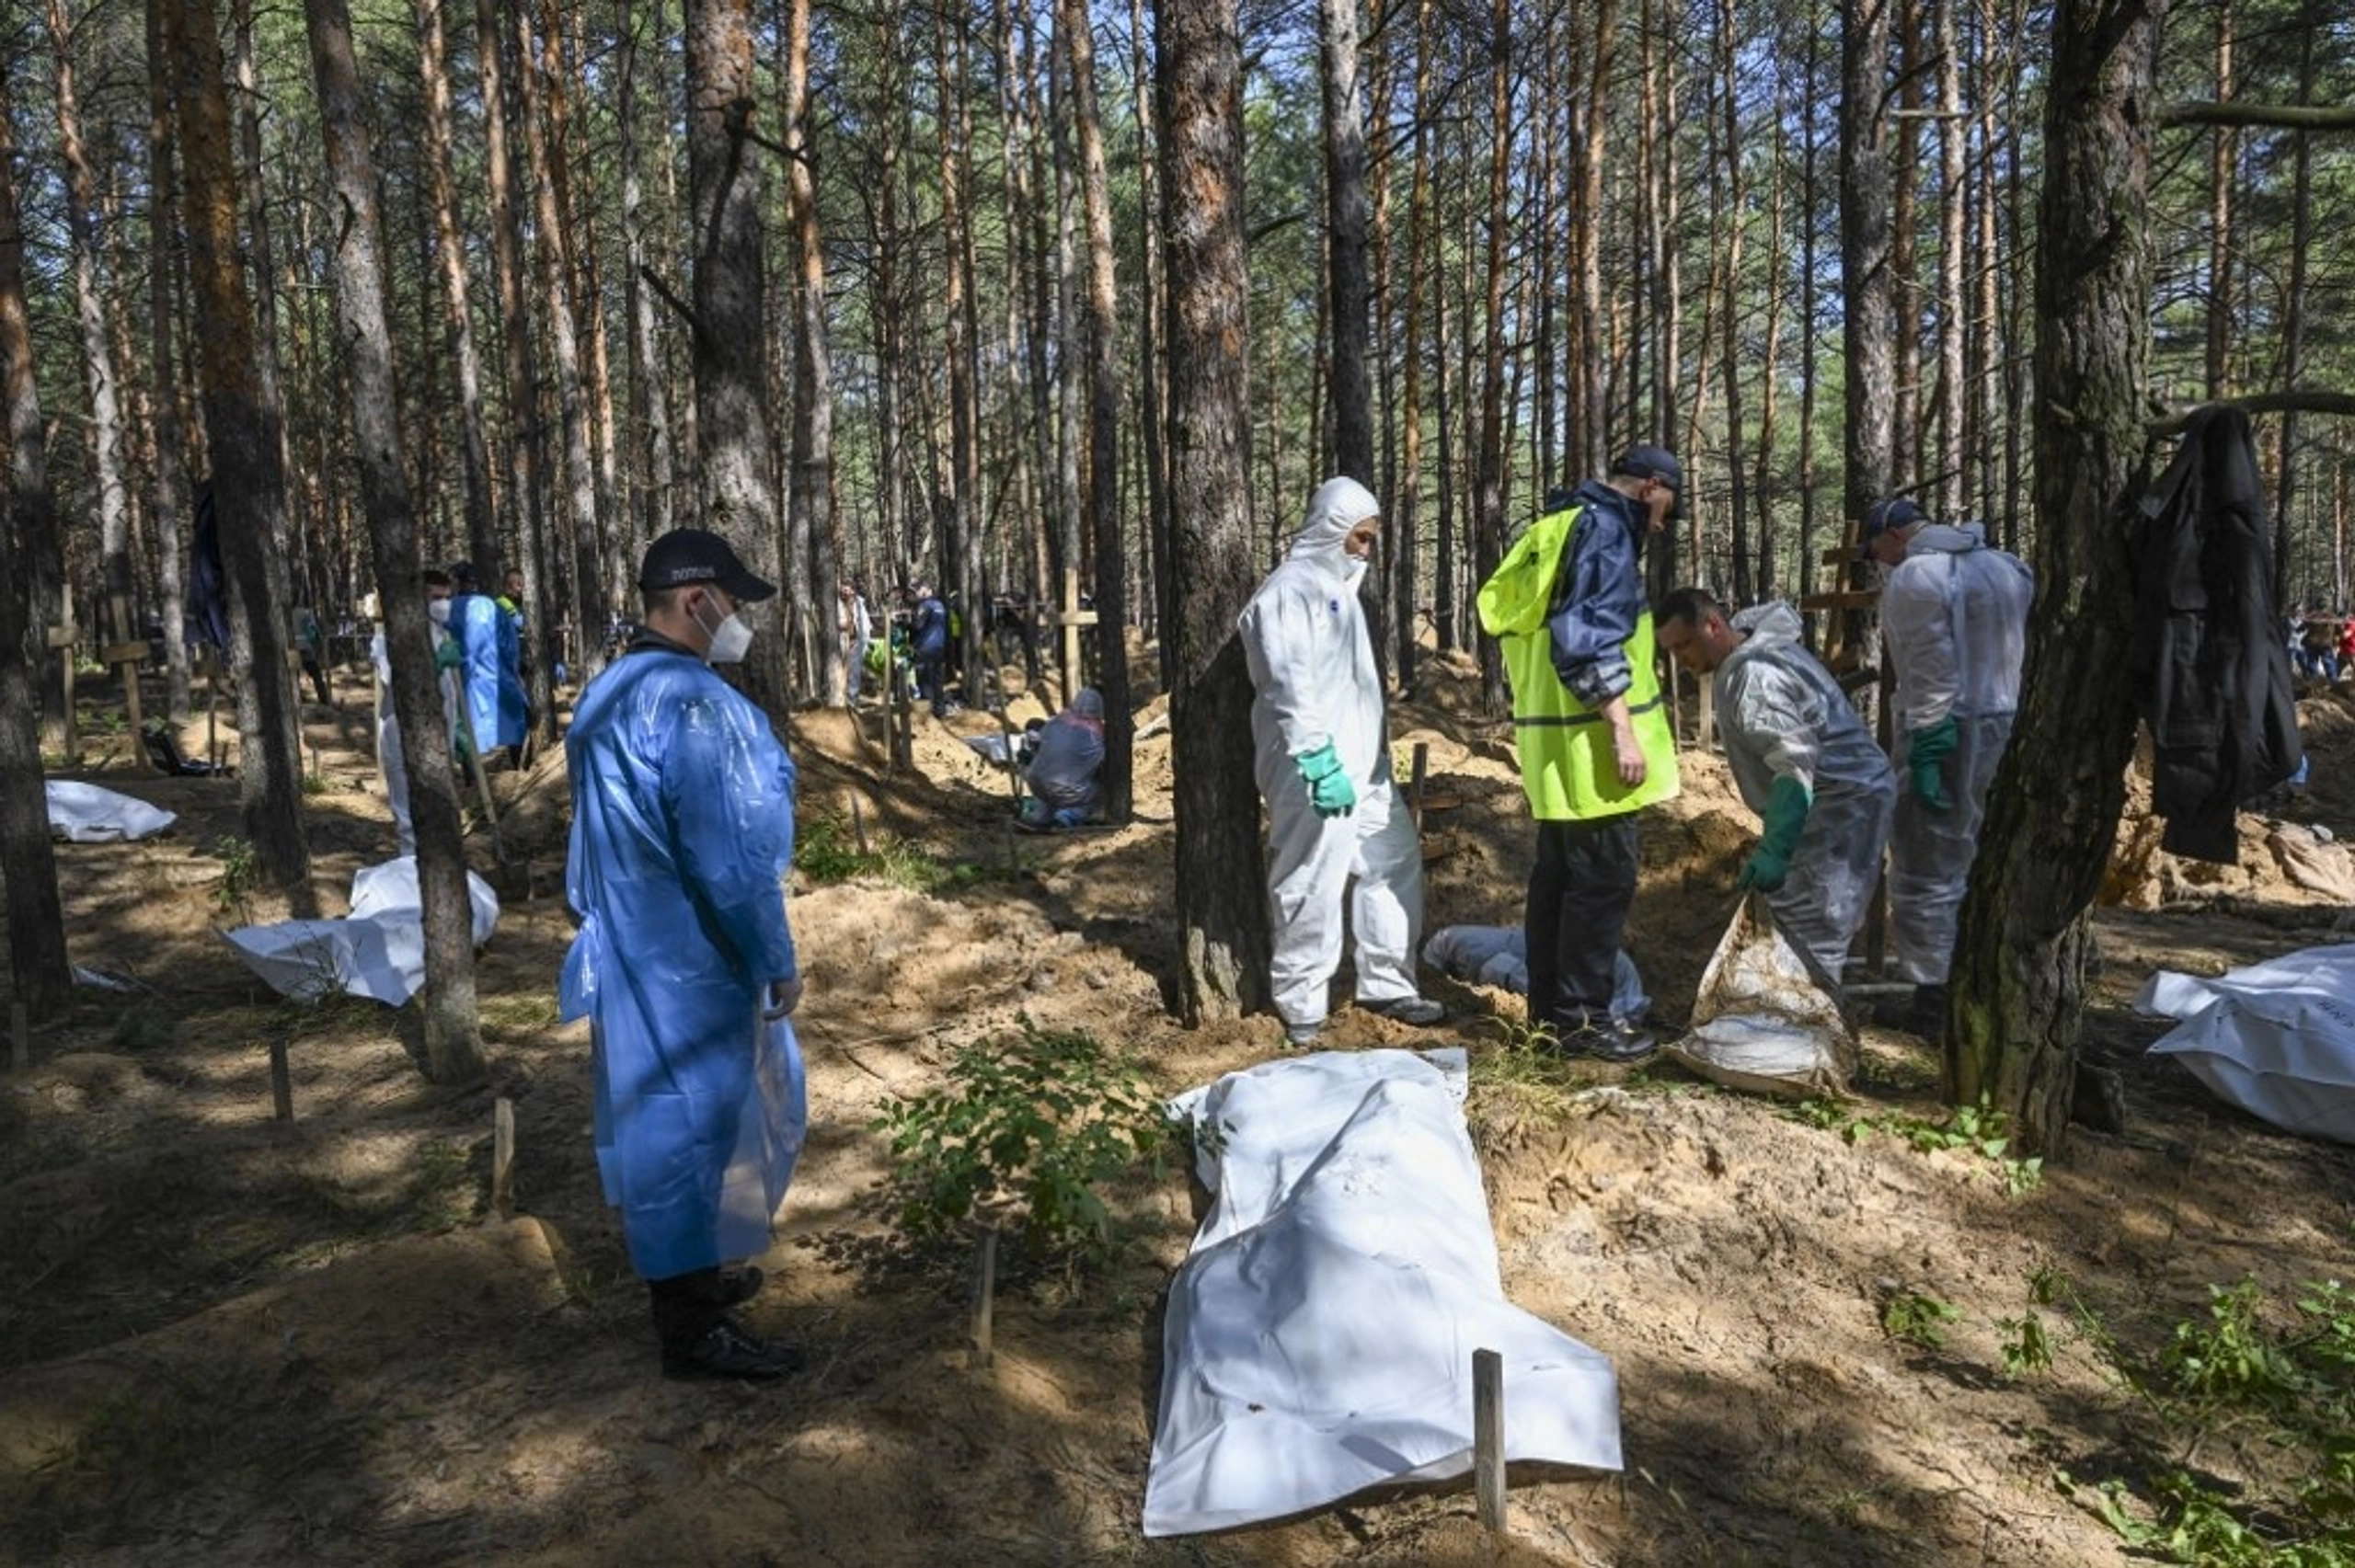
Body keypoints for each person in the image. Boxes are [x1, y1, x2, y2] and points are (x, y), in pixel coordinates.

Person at [559, 527, 809, 1381]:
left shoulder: (608, 692)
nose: (739, 617)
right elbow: (729, 857)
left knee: (666, 1124)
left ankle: (693, 1282)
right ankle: (691, 1330)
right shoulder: (693, 704)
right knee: (688, 1132)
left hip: (636, 950)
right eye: (733, 601)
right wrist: (775, 952)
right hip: (691, 955)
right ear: (697, 600)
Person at [1476, 447, 1683, 1061]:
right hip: (1594, 750)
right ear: (1651, 487)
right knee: (1601, 885)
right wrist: (1623, 731)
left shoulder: (1556, 528)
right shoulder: (1604, 534)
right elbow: (1587, 645)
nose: (1666, 519)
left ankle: (1551, 1017)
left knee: (1559, 884)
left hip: (1553, 750)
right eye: (1668, 502)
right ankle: (1585, 1024)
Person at [1238, 475, 1445, 1046]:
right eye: (1360, 536)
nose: (1367, 549)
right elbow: (1286, 684)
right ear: (1332, 529)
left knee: (1394, 858)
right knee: (1311, 879)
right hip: (1312, 768)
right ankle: (1302, 1008)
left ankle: (1386, 983)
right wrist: (1317, 760)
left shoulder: (1341, 594)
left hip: (1364, 766)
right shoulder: (1289, 592)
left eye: (1371, 538)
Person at [1656, 589, 1896, 985]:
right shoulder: (1755, 651)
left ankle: (1806, 1033)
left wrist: (1777, 848)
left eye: (1684, 646)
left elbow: (1794, 761)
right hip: (1836, 794)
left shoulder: (1755, 677)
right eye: (1672, 651)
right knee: (1796, 918)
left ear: (1713, 625)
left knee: (1810, 922)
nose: (1680, 661)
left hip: (1841, 799)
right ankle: (1799, 1020)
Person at [1856, 496, 2033, 1028]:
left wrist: (1930, 742)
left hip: (1949, 730)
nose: (1878, 563)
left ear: (1892, 536)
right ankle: (1984, 980)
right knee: (1984, 854)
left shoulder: (1917, 577)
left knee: (1926, 859)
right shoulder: (2005, 567)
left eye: (1875, 551)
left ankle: (1935, 995)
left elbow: (1930, 667)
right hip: (2004, 724)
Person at [370, 570, 464, 855]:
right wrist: (435, 664)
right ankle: (411, 872)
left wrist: (457, 727)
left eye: (448, 598)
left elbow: (449, 692)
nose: (443, 604)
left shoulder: (443, 634)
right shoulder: (388, 638)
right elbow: (397, 679)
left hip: (439, 735)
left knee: (441, 807)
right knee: (409, 812)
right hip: (402, 734)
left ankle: (443, 869)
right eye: (436, 598)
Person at [449, 562, 529, 768]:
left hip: (462, 676)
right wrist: (513, 667)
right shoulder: (492, 607)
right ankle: (519, 766)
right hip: (497, 675)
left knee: (464, 724)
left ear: (458, 582)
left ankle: (470, 775)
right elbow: (509, 643)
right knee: (512, 717)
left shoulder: (449, 609)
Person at [1021, 687, 1107, 830]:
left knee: (1049, 788)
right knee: (1097, 792)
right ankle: (1067, 817)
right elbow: (1103, 764)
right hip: (1067, 791)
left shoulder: (1057, 720)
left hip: (1035, 783)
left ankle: (1040, 816)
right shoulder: (1097, 732)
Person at [912, 582, 953, 717]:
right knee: (937, 680)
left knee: (924, 680)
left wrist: (907, 622)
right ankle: (940, 710)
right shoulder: (939, 605)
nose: (916, 593)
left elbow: (918, 625)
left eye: (918, 590)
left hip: (925, 647)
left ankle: (926, 713)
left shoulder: (925, 605)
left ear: (927, 590)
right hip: (939, 646)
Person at [838, 580, 874, 705]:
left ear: (853, 590)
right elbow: (838, 621)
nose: (845, 593)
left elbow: (865, 623)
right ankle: (842, 696)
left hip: (859, 640)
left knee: (854, 670)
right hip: (843, 639)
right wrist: (842, 624)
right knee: (842, 669)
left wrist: (865, 638)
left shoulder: (859, 603)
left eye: (847, 590)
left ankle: (852, 699)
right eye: (843, 590)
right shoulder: (838, 604)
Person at [291, 604, 331, 705]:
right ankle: (324, 700)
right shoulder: (306, 613)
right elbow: (311, 632)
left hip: (292, 649)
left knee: (293, 675)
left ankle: (295, 701)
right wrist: (319, 639)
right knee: (316, 674)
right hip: (305, 647)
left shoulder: (285, 613)